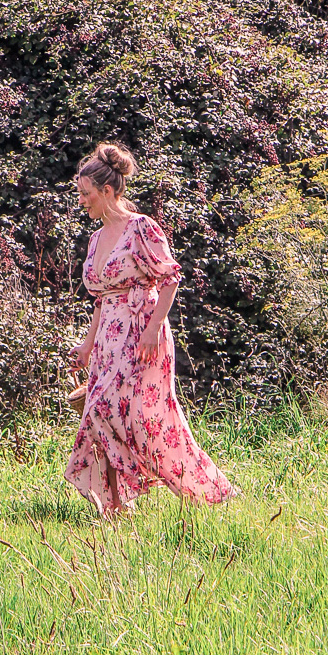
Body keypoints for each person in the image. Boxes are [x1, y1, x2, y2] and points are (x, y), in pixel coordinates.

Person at [65, 141, 237, 518]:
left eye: (86, 193)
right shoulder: (95, 239)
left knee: (149, 419)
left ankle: (207, 491)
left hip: (141, 333)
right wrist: (86, 344)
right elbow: (101, 299)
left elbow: (171, 278)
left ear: (108, 191)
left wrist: (154, 327)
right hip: (108, 340)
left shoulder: (142, 228)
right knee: (98, 414)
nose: (82, 201)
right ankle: (113, 508)